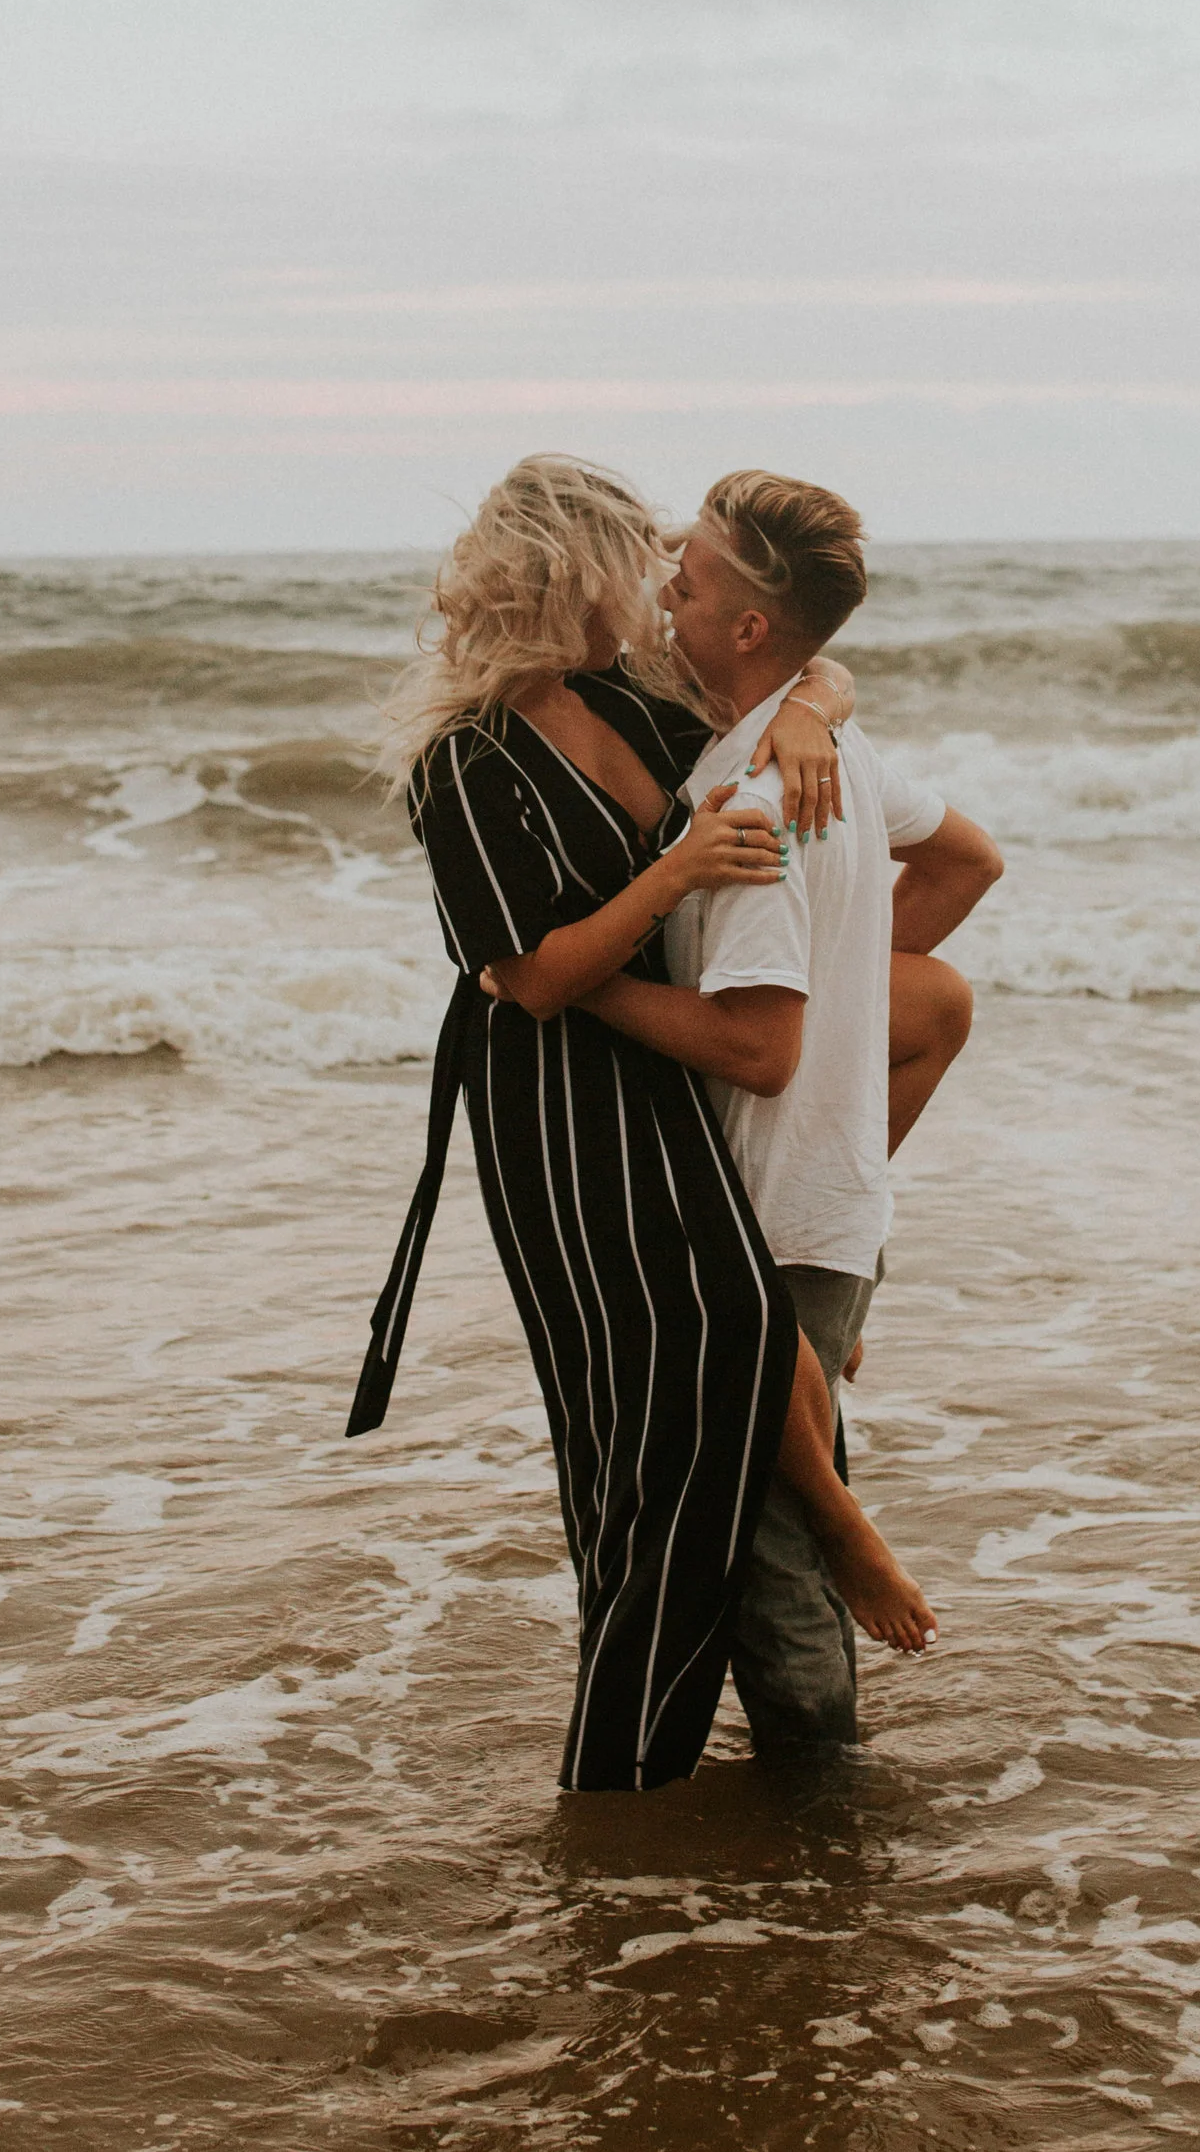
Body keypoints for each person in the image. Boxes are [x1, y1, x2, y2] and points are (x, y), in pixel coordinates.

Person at [355, 455, 916, 1793]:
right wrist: (674, 868)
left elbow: (795, 674)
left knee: (716, 1367)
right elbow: (534, 974)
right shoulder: (465, 761)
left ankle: (694, 1800)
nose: (662, 583)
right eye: (635, 560)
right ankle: (620, 1794)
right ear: (565, 576)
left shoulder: (634, 701)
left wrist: (814, 717)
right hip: (564, 1118)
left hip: (669, 1091)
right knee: (648, 1451)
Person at [579, 473, 1004, 1754]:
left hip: (764, 1208)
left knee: (772, 1558)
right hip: (831, 1198)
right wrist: (839, 974)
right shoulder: (826, 751)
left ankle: (828, 1840)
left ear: (751, 628)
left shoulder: (754, 797)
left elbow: (757, 1055)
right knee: (785, 1525)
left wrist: (577, 987)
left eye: (691, 580)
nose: (666, 590)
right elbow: (969, 860)